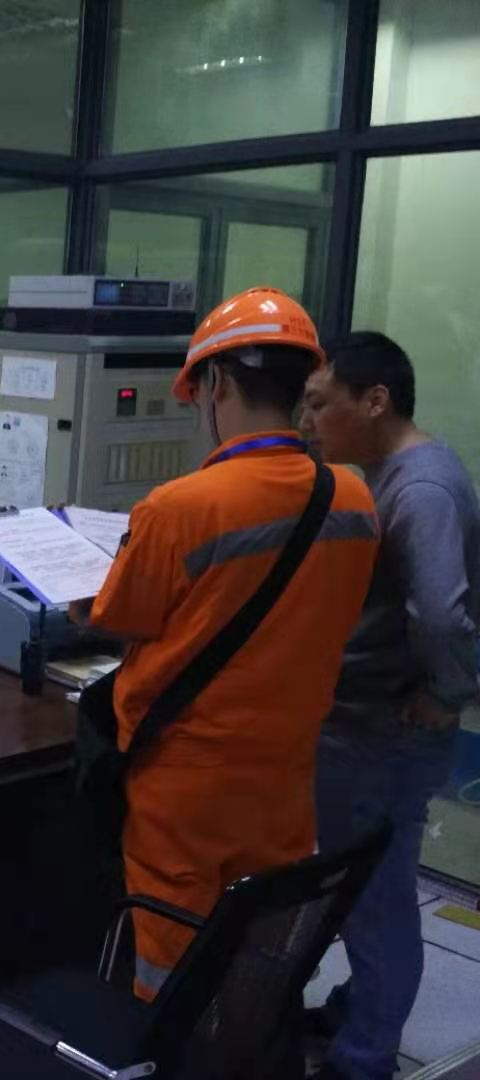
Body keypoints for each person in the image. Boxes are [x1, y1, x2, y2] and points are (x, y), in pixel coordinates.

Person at [78, 287, 380, 1002]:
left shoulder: (179, 507)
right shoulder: (353, 498)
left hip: (187, 785)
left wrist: (78, 594)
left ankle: (166, 1047)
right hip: (285, 778)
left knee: (175, 965)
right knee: (257, 951)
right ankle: (246, 1045)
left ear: (215, 383)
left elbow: (117, 618)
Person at [299, 332, 479, 1080]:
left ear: (375, 401)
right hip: (364, 723)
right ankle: (359, 1010)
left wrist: (447, 693)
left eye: (320, 404)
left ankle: (364, 1058)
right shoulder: (385, 475)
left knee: (378, 895)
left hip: (383, 731)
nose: (308, 422)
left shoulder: (420, 489)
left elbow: (441, 614)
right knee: (362, 886)